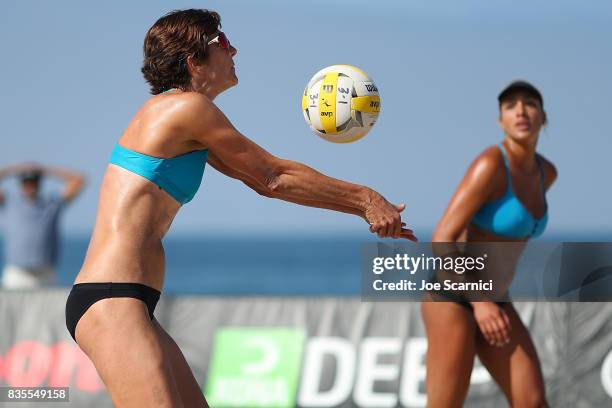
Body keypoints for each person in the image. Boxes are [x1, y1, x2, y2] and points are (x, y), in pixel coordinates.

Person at [65, 9, 416, 408]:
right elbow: (272, 175)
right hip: (112, 299)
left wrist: (362, 209)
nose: (234, 50)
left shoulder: (182, 118)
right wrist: (366, 199)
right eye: (223, 43)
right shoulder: (184, 110)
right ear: (193, 60)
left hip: (127, 301)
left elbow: (261, 183)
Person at [422, 80, 557, 408]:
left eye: (530, 103)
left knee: (533, 403)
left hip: (497, 301)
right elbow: (441, 238)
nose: (521, 110)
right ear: (501, 121)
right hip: (453, 296)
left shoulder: (547, 174)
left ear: (544, 117)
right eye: (510, 106)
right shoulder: (491, 165)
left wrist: (489, 302)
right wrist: (480, 302)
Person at [0, 163, 85, 289]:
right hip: (17, 273)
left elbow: (78, 180)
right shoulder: (10, 203)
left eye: (34, 182)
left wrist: (46, 171)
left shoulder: (51, 203)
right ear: (21, 184)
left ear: (39, 184)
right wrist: (15, 169)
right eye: (27, 182)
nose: (30, 186)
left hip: (45, 274)